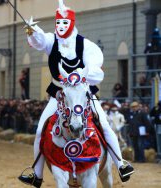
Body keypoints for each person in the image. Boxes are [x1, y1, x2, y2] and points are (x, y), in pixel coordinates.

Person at [18, 1, 134, 187]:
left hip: (83, 95)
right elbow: (39, 41)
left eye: (64, 23)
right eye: (58, 23)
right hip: (59, 95)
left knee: (104, 125)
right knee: (41, 130)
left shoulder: (85, 45)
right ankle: (36, 173)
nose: (61, 27)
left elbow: (97, 71)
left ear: (71, 23)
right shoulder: (51, 40)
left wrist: (80, 75)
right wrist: (33, 31)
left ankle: (121, 164)